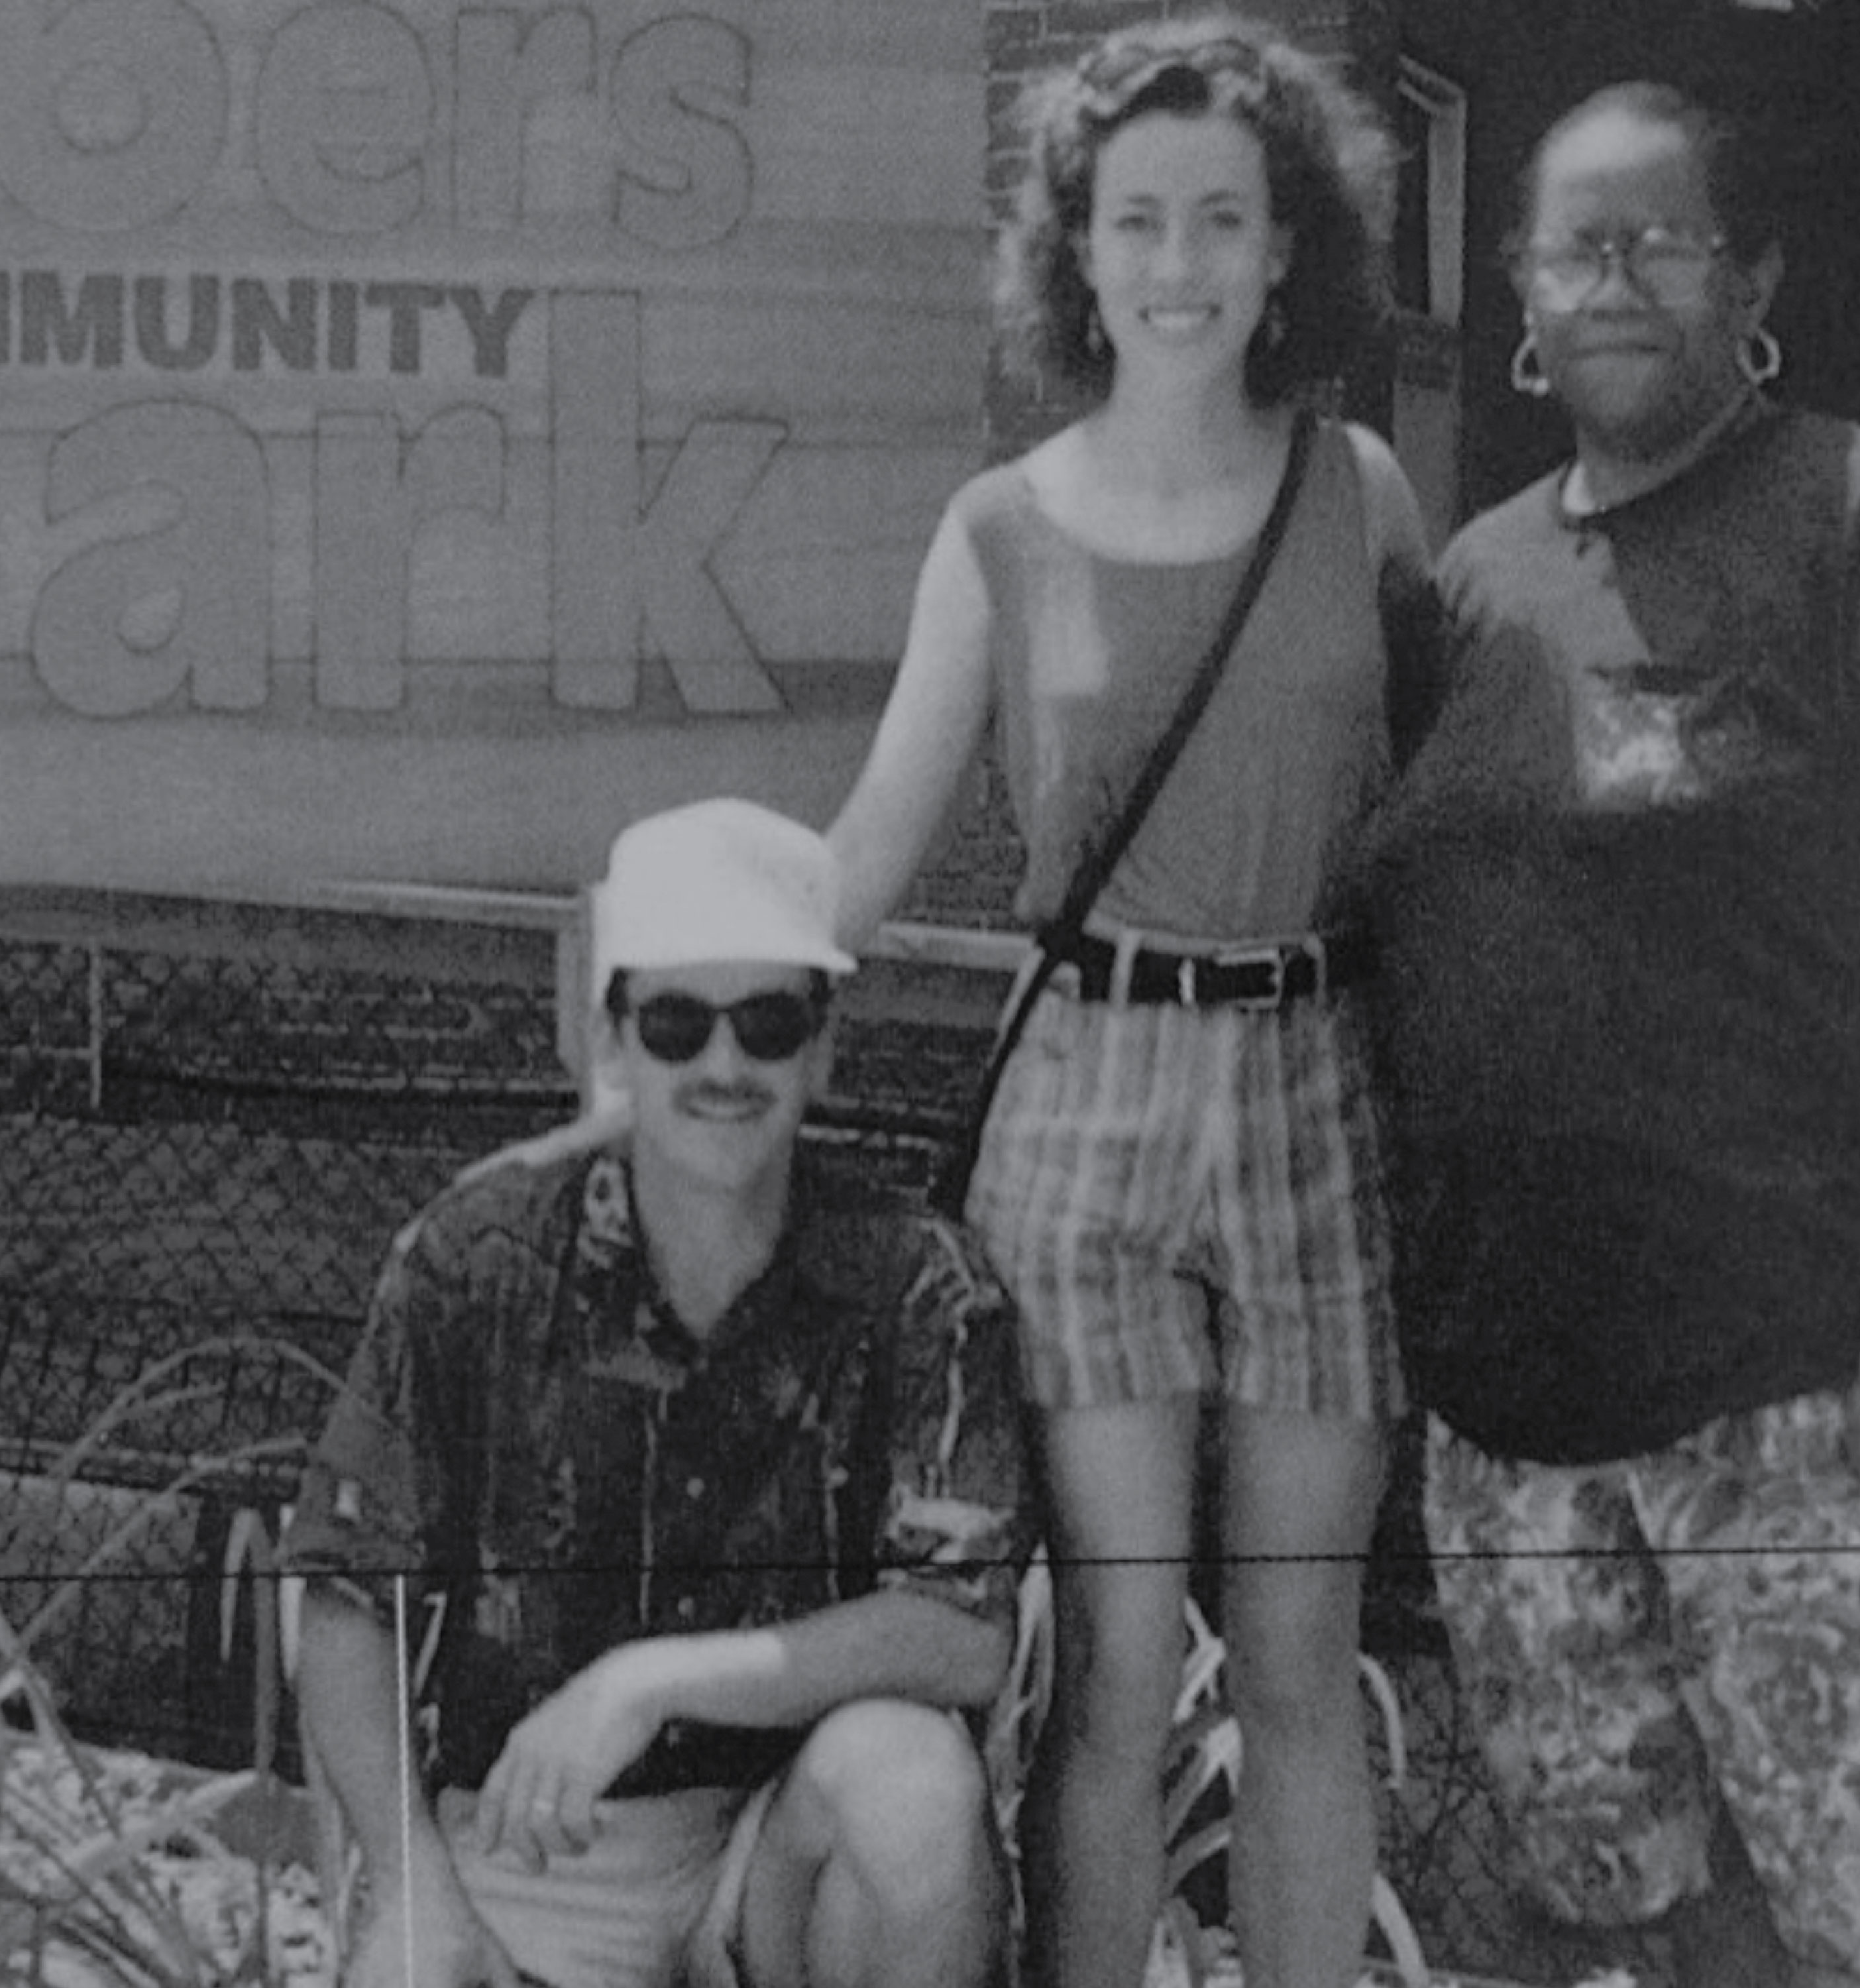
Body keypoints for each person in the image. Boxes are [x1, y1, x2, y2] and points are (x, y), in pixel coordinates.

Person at [825, 18, 1429, 1988]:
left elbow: (1449, 827)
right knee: (1113, 1658)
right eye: (1139, 219)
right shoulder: (1000, 529)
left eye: (1223, 219)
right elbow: (866, 856)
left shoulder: (1360, 493)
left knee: (1300, 1659)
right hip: (1084, 1100)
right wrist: (664, 972)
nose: (1180, 263)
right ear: (1078, 252)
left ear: (1286, 248)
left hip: (1315, 1084)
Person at [1358, 82, 1860, 1987]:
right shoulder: (1469, 582)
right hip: (1517, 1427)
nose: (1620, 279)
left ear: (1756, 279)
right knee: (1643, 1928)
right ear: (1518, 287)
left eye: (1665, 240)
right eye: (1580, 245)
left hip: (1784, 1404)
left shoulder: (1834, 514)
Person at [282, 797, 1032, 1988]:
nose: (724, 1066)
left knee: (910, 1784)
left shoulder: (918, 1285)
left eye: (768, 1025)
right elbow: (346, 1593)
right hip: (535, 1844)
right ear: (614, 1039)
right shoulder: (477, 1259)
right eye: (678, 1024)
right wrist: (416, 1897)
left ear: (824, 1048)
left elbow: (961, 1631)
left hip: (774, 1854)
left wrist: (646, 1683)